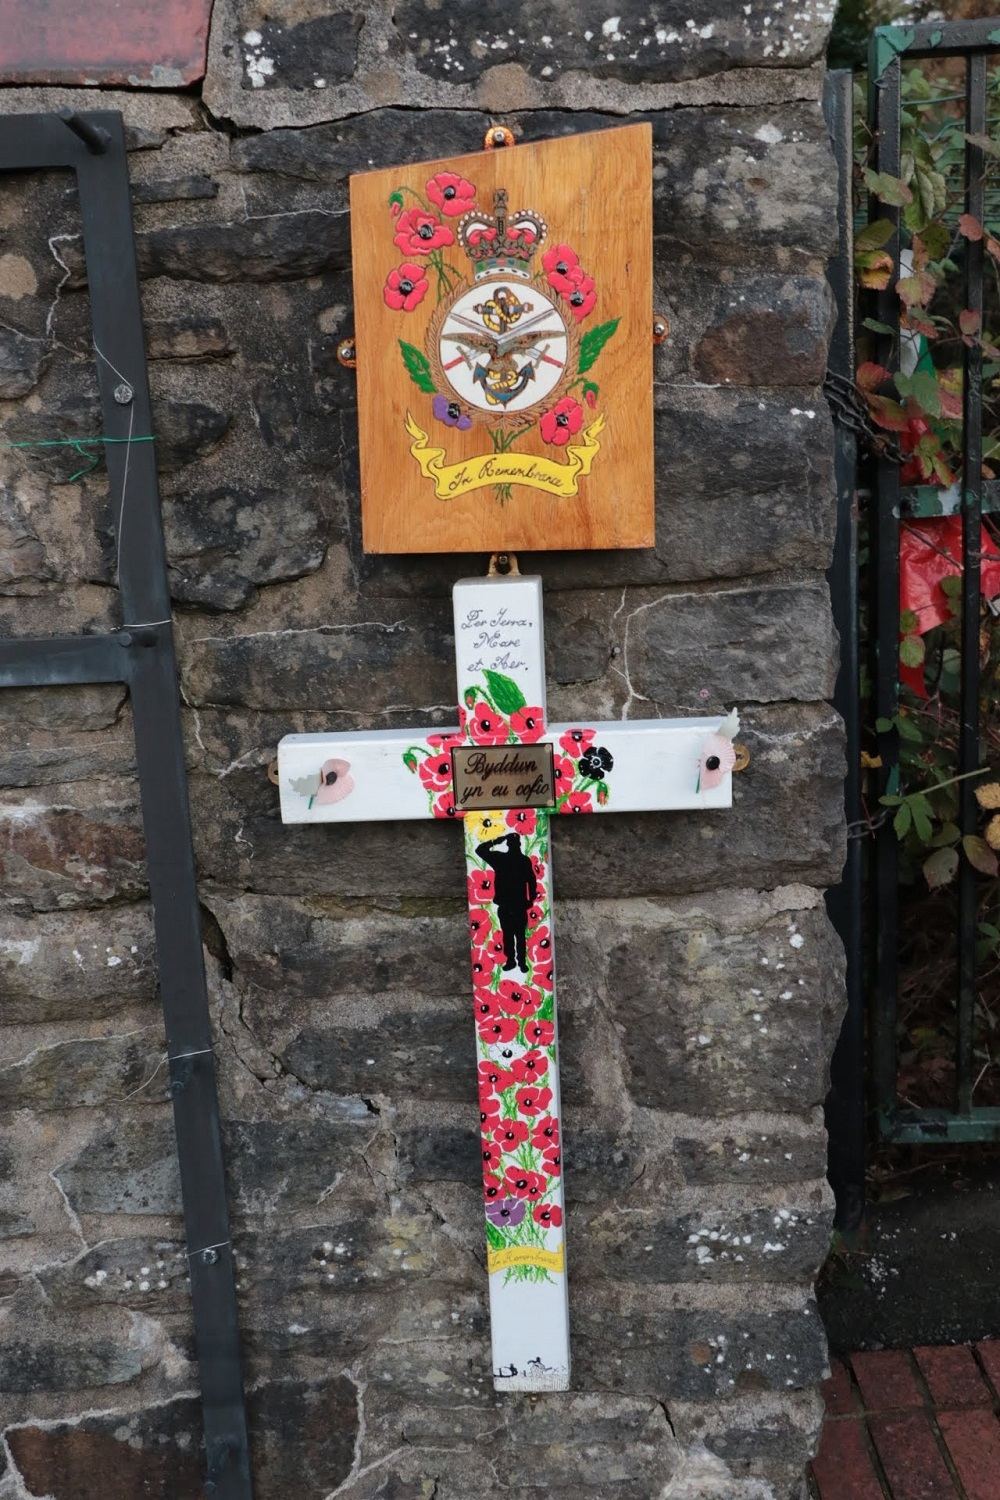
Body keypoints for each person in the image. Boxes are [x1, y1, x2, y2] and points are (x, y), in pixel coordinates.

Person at [476, 831, 537, 972]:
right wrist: (531, 899)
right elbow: (532, 881)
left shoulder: (506, 859)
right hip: (511, 904)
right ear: (516, 844)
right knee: (512, 935)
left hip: (514, 904)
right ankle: (515, 961)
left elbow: (532, 881)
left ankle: (518, 961)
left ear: (509, 844)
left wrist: (496, 841)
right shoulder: (512, 859)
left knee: (514, 935)